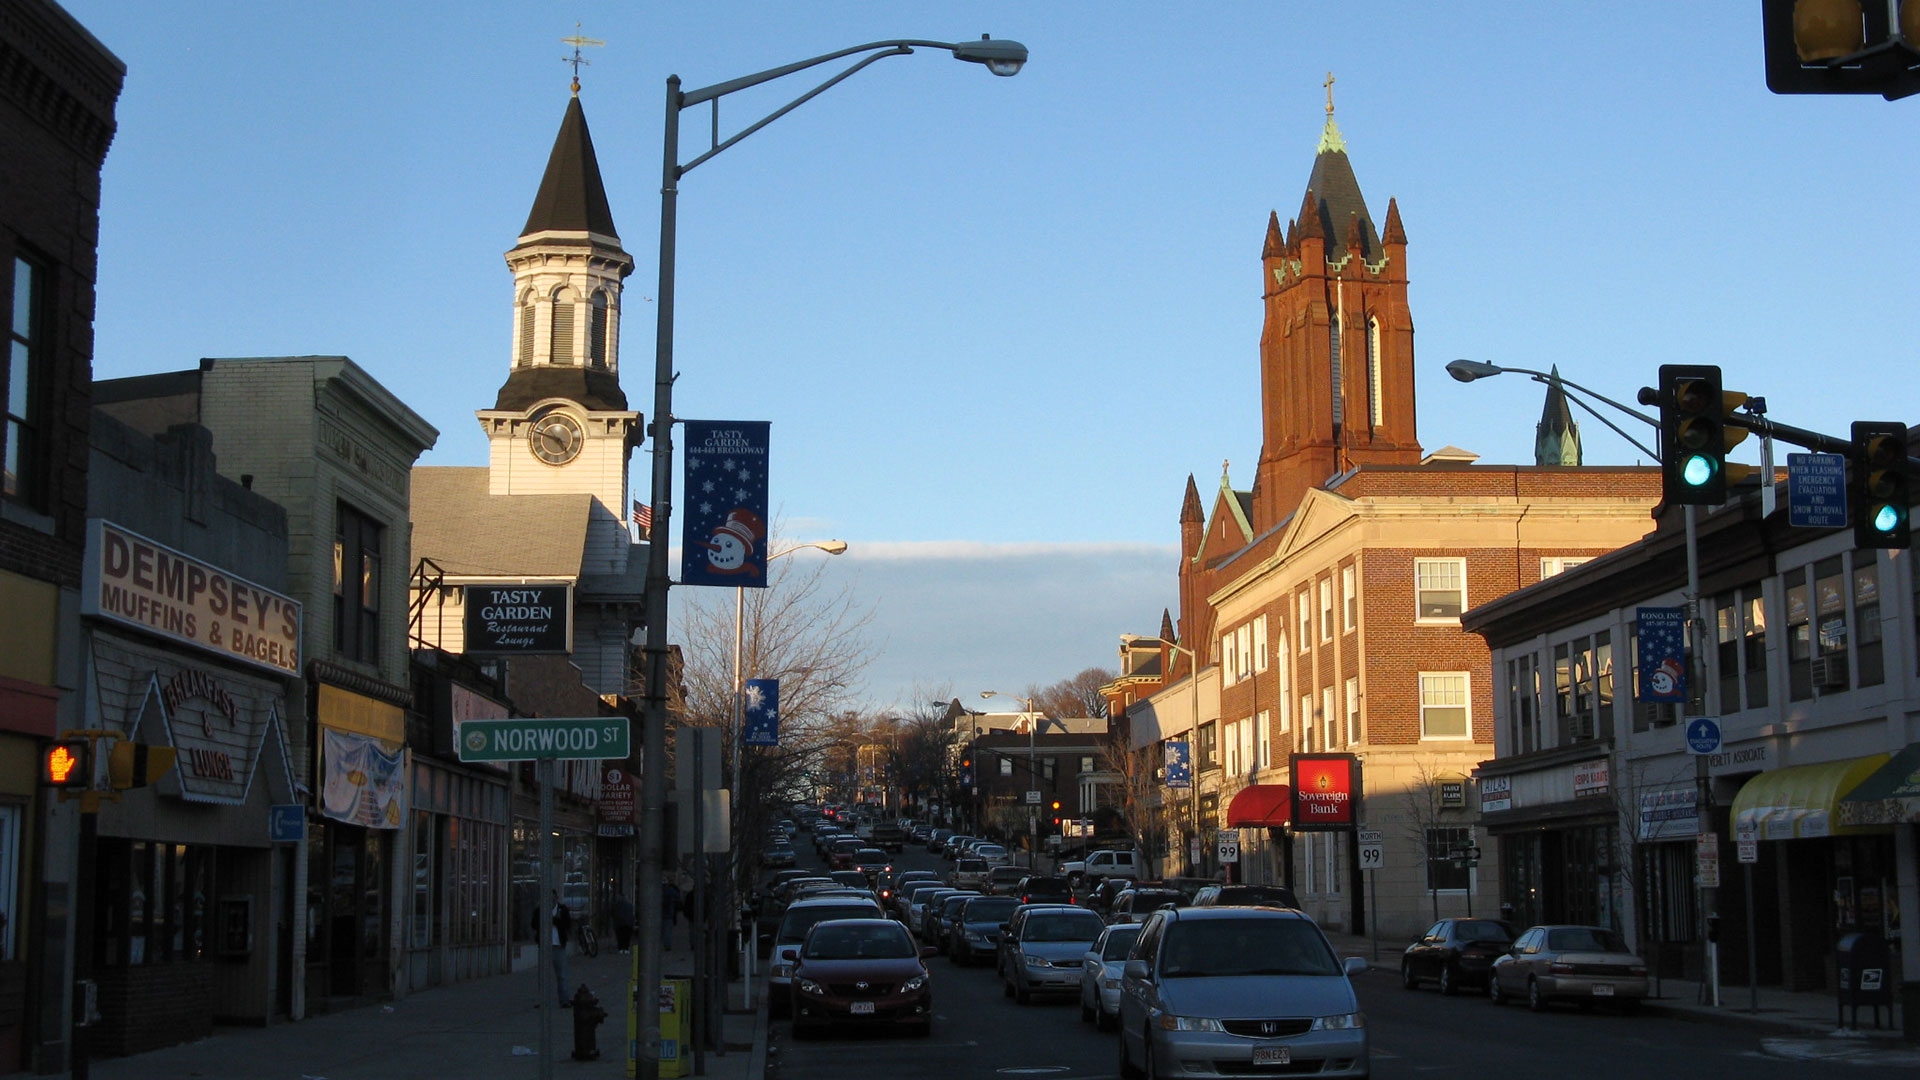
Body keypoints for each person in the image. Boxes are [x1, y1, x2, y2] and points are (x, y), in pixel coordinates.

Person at [550, 891, 573, 1007]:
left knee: (561, 975)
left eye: (552, 898)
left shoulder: (562, 910)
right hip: (546, 946)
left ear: (556, 898)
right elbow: (534, 923)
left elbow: (567, 924)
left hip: (558, 945)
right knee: (544, 976)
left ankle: (564, 1000)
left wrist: (554, 920)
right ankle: (544, 1000)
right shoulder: (541, 910)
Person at [660, 876, 681, 950]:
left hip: (659, 914)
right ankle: (667, 945)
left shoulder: (658, 890)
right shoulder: (671, 890)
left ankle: (660, 944)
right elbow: (678, 898)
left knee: (661, 931)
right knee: (667, 931)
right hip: (669, 914)